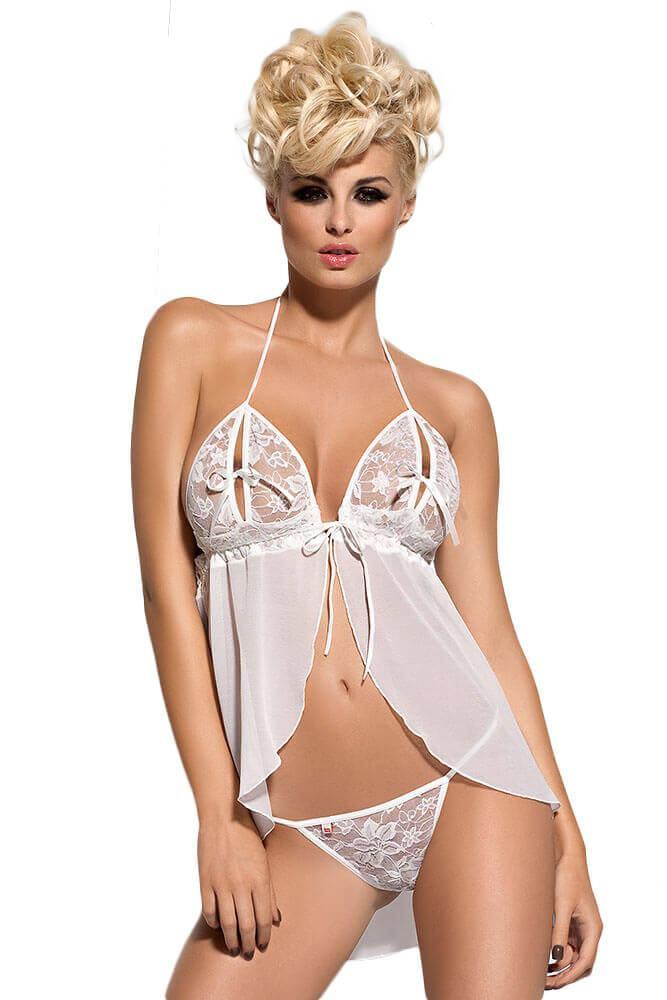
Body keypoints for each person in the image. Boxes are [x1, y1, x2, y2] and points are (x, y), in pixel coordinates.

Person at [131, 12, 602, 998]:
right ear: (274, 198)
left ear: (406, 204)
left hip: (474, 779)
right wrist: (219, 814)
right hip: (307, 819)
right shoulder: (192, 342)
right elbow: (167, 588)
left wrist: (569, 839)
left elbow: (488, 630)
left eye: (368, 192)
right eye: (313, 190)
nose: (339, 221)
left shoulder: (452, 408)